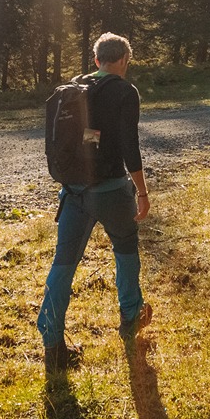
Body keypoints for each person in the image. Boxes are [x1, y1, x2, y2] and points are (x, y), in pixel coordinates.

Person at [37, 31, 151, 360]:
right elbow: (130, 146)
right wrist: (142, 192)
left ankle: (51, 341)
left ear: (97, 59)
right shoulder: (125, 91)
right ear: (124, 61)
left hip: (73, 191)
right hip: (112, 189)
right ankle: (131, 315)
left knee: (64, 262)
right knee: (125, 246)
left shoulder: (76, 87)